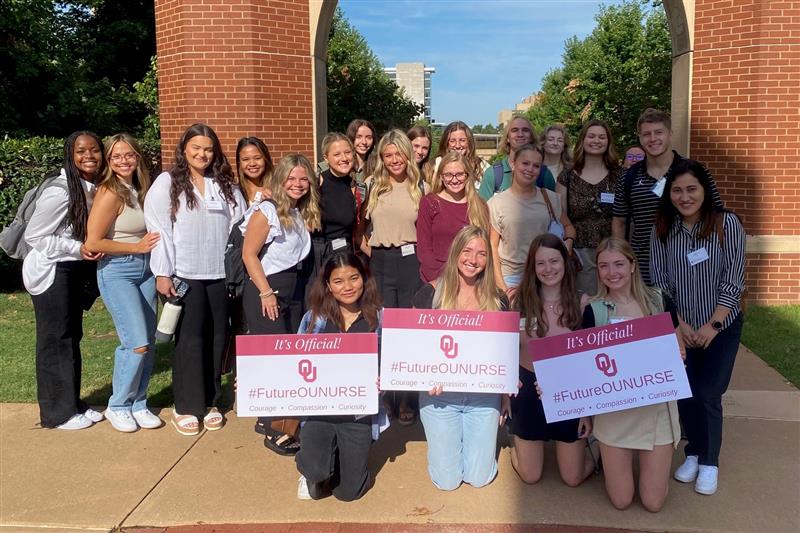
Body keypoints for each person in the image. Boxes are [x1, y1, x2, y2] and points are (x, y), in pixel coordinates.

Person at [650, 159, 746, 496]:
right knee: (684, 393)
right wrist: (679, 326)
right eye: (677, 190)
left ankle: (710, 461)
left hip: (722, 325)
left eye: (692, 189)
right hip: (682, 327)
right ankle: (691, 453)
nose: (685, 196)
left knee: (708, 393)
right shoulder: (662, 228)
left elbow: (734, 280)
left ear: (705, 190)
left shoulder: (726, 223)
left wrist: (713, 324)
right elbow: (659, 283)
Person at [145, 123, 246, 436]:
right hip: (185, 274)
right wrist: (163, 272)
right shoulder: (167, 182)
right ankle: (187, 405)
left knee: (218, 339)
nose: (202, 154)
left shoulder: (224, 184)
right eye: (196, 148)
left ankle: (211, 400)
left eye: (208, 149)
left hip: (219, 274)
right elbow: (159, 228)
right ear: (184, 149)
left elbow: (240, 221)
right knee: (190, 341)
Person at [582, 237, 684, 512]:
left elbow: (679, 349)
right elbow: (582, 368)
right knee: (621, 500)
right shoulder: (593, 310)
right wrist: (579, 408)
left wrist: (673, 359)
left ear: (632, 266)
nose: (611, 272)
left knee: (653, 503)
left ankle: (652, 468)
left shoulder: (660, 300)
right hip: (615, 412)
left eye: (618, 264)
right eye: (604, 266)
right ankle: (604, 453)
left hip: (656, 408)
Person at [412, 225, 509, 490]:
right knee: (447, 482)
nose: (473, 260)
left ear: (489, 260)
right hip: (440, 397)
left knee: (479, 478)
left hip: (482, 396)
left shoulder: (498, 300)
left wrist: (504, 394)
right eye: (467, 251)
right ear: (455, 252)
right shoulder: (428, 294)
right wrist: (422, 378)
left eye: (481, 254)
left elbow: (504, 355)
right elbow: (411, 347)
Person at [23, 131, 106, 430]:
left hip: (71, 270)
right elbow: (35, 236)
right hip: (50, 271)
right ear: (70, 155)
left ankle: (72, 403)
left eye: (94, 150)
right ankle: (57, 414)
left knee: (70, 337)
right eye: (81, 151)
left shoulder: (89, 187)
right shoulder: (60, 191)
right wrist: (77, 248)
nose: (89, 156)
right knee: (54, 341)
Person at [241, 153, 321, 454]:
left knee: (286, 354)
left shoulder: (298, 210)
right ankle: (277, 430)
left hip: (294, 287)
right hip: (269, 288)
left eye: (304, 179)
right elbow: (249, 254)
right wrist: (265, 292)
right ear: (280, 179)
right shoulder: (267, 211)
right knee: (274, 357)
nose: (298, 184)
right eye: (292, 178)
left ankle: (269, 417)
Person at [84, 133, 161, 432]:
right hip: (119, 270)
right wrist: (136, 248)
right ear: (108, 161)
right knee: (136, 343)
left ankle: (139, 403)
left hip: (147, 270)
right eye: (116, 156)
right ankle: (118, 404)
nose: (123, 160)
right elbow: (93, 240)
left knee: (149, 342)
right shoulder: (110, 191)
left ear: (138, 156)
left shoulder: (140, 188)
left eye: (128, 154)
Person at [295, 252, 383, 501]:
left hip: (357, 413)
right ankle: (312, 467)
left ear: (364, 279)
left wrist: (383, 381)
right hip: (319, 410)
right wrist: (257, 381)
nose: (348, 287)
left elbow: (393, 363)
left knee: (348, 493)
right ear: (328, 286)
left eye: (354, 278)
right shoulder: (315, 319)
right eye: (338, 281)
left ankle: (341, 461)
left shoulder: (380, 319)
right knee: (317, 471)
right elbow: (292, 363)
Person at [511, 234, 594, 486]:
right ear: (532, 268)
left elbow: (589, 363)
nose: (548, 269)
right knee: (530, 475)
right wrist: (506, 394)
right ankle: (517, 442)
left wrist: (586, 412)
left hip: (568, 393)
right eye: (541, 263)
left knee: (572, 478)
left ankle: (597, 450)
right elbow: (505, 352)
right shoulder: (519, 302)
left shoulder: (582, 303)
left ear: (565, 262)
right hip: (528, 390)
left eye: (554, 261)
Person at [360, 129, 427, 425]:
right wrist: (372, 251)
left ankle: (409, 398)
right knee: (383, 330)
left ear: (407, 154)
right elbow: (359, 229)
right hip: (381, 262)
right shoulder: (372, 184)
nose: (393, 160)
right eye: (387, 155)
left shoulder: (421, 186)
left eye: (398, 153)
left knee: (410, 332)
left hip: (411, 261)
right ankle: (387, 394)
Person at [611, 108, 723, 284]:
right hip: (644, 267)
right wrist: (619, 259)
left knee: (691, 310)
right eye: (646, 134)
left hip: (691, 262)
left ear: (670, 134)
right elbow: (619, 221)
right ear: (640, 138)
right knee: (654, 311)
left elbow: (716, 213)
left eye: (659, 132)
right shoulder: (628, 177)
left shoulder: (695, 171)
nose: (653, 138)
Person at [488, 144, 576, 300]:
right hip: (511, 277)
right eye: (525, 163)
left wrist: (568, 242)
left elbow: (569, 227)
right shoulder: (496, 203)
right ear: (513, 164)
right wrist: (502, 287)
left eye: (536, 166)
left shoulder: (550, 198)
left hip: (544, 274)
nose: (530, 169)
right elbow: (492, 247)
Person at [557, 120, 621, 295]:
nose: (596, 140)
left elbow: (624, 216)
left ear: (608, 142)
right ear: (582, 140)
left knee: (613, 301)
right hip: (579, 252)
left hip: (612, 250)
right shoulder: (567, 176)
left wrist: (619, 247)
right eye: (591, 136)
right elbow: (560, 214)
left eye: (602, 137)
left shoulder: (619, 175)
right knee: (587, 304)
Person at [416, 151, 489, 284]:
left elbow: (484, 248)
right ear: (441, 177)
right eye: (448, 175)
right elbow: (424, 248)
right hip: (437, 278)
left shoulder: (480, 205)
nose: (454, 179)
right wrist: (440, 280)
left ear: (467, 176)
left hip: (471, 280)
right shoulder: (429, 203)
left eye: (460, 174)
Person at [478, 116, 556, 200]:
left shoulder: (544, 174)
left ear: (531, 137)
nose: (520, 134)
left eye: (525, 130)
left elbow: (554, 208)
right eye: (515, 130)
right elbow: (481, 211)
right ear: (507, 138)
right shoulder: (493, 174)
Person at [236, 136, 274, 205]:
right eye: (246, 159)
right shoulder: (234, 192)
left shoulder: (278, 189)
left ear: (266, 159)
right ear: (239, 163)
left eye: (257, 158)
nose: (252, 164)